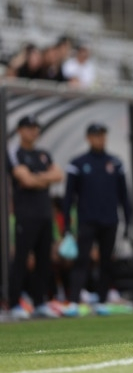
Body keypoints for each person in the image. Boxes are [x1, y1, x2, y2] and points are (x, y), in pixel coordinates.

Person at [61, 123, 132, 317]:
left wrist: (128, 222)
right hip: (86, 220)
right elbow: (68, 198)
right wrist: (66, 225)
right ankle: (74, 301)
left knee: (106, 262)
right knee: (82, 261)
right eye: (96, 135)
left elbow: (124, 196)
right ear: (88, 138)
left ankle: (101, 300)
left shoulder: (115, 163)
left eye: (102, 135)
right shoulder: (77, 163)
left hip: (110, 221)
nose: (99, 139)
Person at [7, 115, 63, 319]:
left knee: (43, 261)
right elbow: (25, 179)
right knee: (21, 260)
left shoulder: (43, 154)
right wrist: (43, 179)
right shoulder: (14, 152)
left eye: (36, 128)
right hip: (25, 215)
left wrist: (38, 178)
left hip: (44, 214)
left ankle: (40, 302)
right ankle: (14, 303)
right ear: (20, 130)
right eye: (29, 128)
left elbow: (58, 175)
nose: (33, 132)